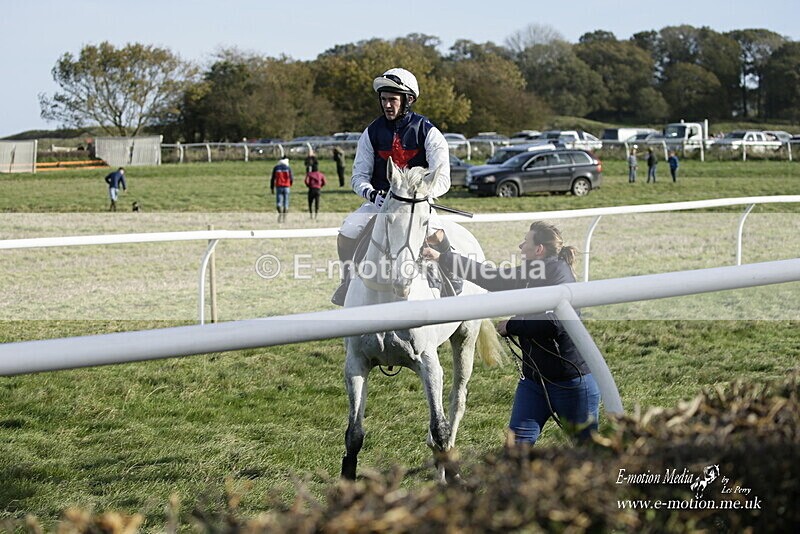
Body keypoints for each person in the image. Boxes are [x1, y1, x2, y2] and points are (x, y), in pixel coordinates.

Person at [421, 221, 601, 445]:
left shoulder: (559, 275)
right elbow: (489, 276)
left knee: (589, 455)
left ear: (539, 250)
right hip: (533, 383)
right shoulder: (531, 271)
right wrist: (442, 257)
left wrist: (512, 326)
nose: (520, 245)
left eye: (526, 241)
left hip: (571, 383)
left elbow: (555, 324)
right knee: (515, 452)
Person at [330, 67, 450, 306]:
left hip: (417, 204)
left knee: (436, 234)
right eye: (384, 99)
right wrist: (373, 195)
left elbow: (443, 179)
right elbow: (358, 177)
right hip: (381, 203)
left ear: (409, 100)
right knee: (348, 231)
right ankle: (346, 281)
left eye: (393, 100)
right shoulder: (371, 132)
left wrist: (420, 197)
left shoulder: (429, 132)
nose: (387, 105)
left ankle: (450, 278)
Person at [270, 157, 293, 223]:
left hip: (279, 186)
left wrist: (272, 187)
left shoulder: (276, 168)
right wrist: (290, 184)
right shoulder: (288, 168)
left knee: (279, 203)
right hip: (286, 186)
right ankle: (284, 217)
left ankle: (280, 214)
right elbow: (291, 178)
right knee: (286, 202)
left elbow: (273, 178)